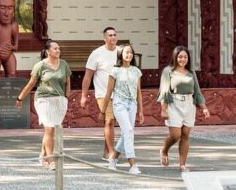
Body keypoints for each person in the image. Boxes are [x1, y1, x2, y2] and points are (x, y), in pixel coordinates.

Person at [16, 39, 71, 168]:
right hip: (43, 100)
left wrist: (66, 97)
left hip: (59, 100)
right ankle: (51, 160)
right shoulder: (40, 66)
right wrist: (20, 98)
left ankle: (42, 155)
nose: (58, 50)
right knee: (49, 128)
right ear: (47, 51)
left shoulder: (64, 64)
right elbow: (31, 84)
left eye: (58, 48)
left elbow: (68, 82)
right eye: (55, 48)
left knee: (51, 130)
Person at [157, 46, 209, 172]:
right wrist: (163, 109)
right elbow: (164, 90)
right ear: (175, 57)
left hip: (189, 105)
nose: (183, 59)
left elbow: (197, 91)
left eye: (185, 57)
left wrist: (204, 108)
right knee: (175, 135)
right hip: (174, 104)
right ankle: (164, 150)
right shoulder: (168, 71)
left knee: (185, 135)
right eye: (180, 56)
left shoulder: (191, 72)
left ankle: (182, 164)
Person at [102, 44, 145, 174]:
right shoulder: (115, 71)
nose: (129, 55)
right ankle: (132, 164)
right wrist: (102, 111)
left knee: (127, 132)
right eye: (126, 52)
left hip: (132, 104)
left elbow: (138, 91)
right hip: (119, 103)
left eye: (131, 52)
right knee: (129, 130)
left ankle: (113, 158)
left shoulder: (136, 71)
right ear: (121, 54)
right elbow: (109, 91)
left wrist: (141, 110)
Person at [80, 26, 119, 159]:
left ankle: (106, 151)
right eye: (110, 35)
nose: (113, 37)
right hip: (102, 93)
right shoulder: (96, 53)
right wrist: (83, 96)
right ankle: (112, 152)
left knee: (112, 122)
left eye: (114, 35)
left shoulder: (121, 52)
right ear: (104, 38)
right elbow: (88, 76)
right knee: (109, 121)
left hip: (119, 93)